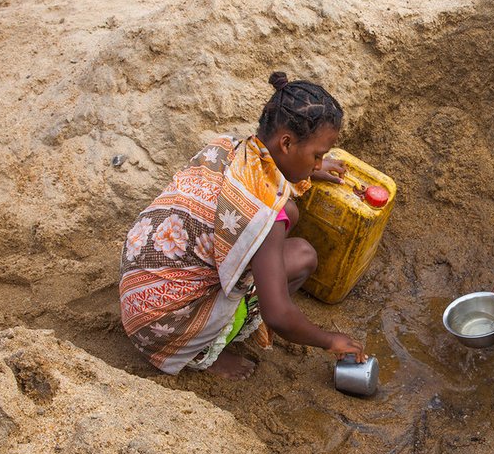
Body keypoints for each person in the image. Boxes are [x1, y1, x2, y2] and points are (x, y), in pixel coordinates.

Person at [119, 72, 367, 380]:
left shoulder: (229, 148)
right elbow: (279, 315)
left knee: (287, 212)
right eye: (317, 155)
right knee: (303, 256)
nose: (319, 164)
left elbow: (271, 176)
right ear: (287, 143)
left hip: (139, 287)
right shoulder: (263, 211)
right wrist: (330, 339)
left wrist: (309, 170)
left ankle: (223, 316)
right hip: (163, 329)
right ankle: (203, 351)